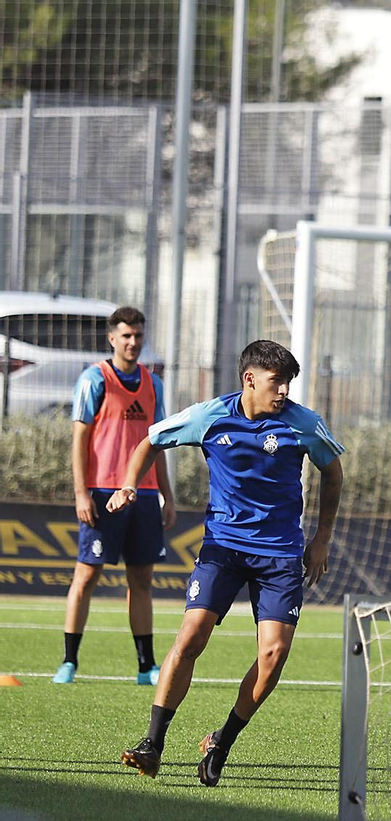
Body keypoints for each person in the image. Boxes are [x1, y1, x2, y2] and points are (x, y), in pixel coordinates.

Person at [117, 340, 345, 787]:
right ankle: (153, 744)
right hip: (222, 547)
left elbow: (333, 472)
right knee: (191, 635)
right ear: (250, 379)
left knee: (273, 656)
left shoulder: (303, 424)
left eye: (288, 383)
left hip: (280, 554)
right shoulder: (210, 415)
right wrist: (128, 485)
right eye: (276, 381)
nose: (283, 391)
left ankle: (221, 741)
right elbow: (150, 441)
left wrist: (321, 539)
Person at [54, 307, 176, 685]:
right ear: (112, 338)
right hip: (102, 491)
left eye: (138, 335)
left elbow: (157, 446)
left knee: (141, 581)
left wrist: (167, 496)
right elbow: (80, 440)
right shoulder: (95, 379)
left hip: (144, 493)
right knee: (87, 577)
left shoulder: (152, 384)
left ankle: (146, 666)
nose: (133, 342)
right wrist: (80, 493)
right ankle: (69, 662)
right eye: (126, 335)